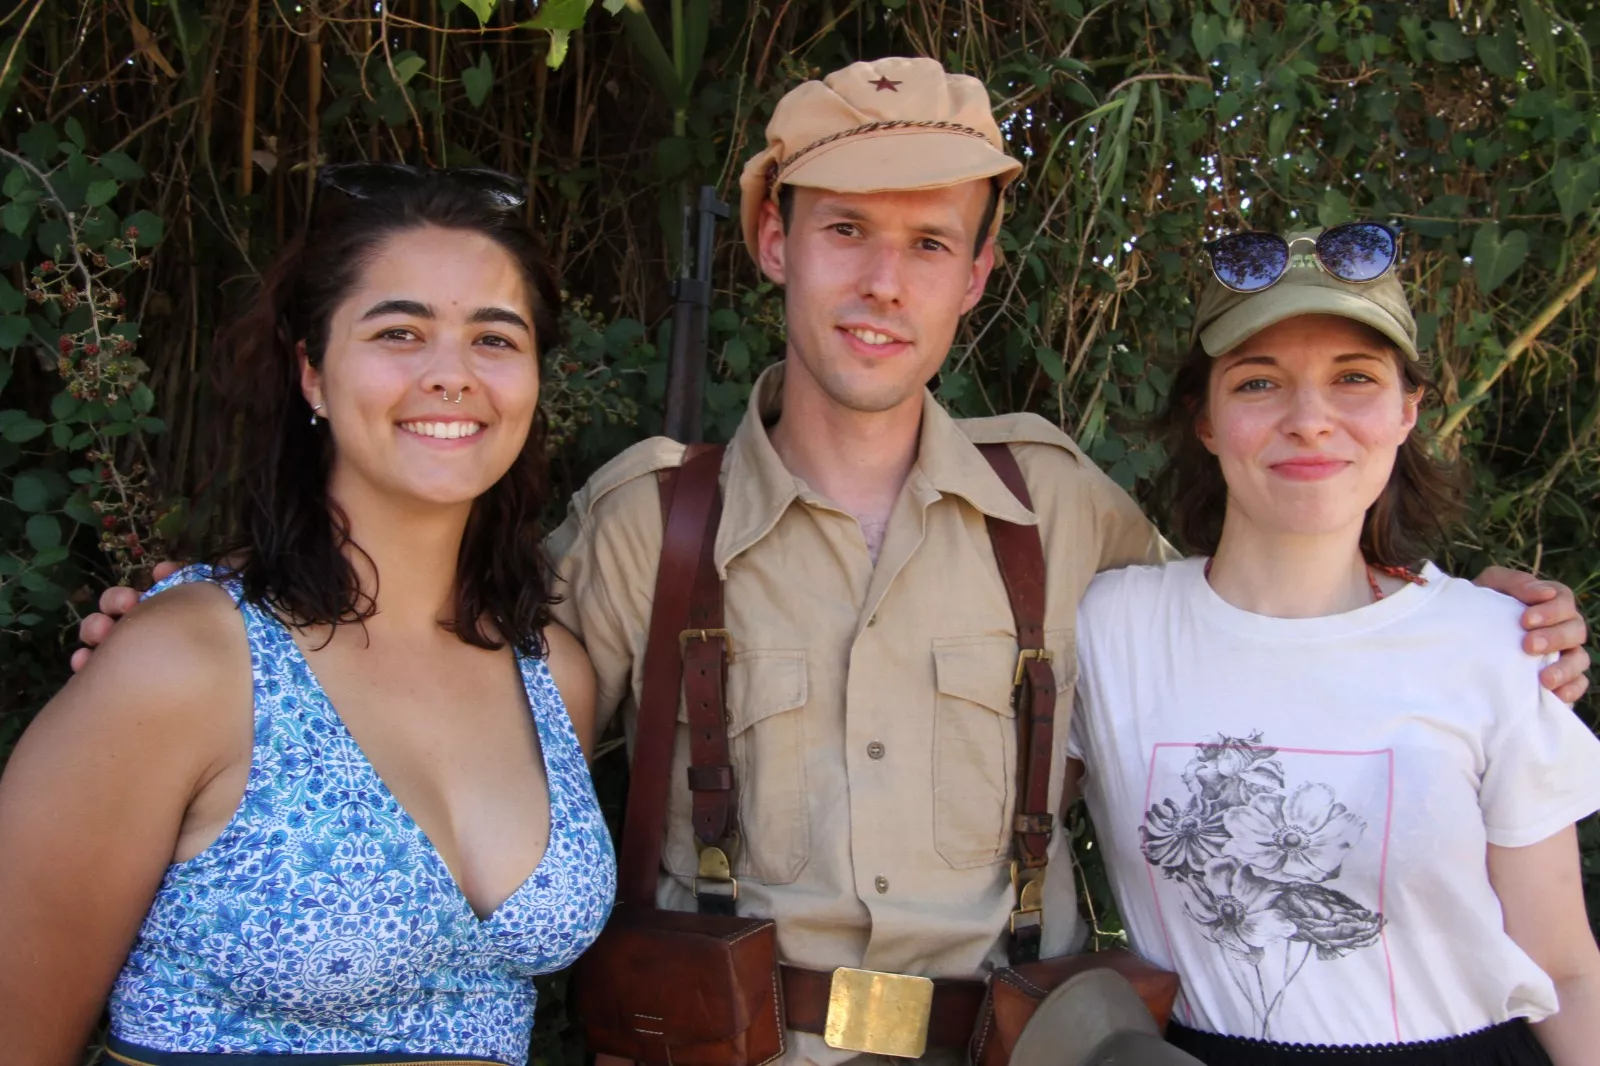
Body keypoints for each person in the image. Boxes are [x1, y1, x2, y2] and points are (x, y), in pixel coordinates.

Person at [71, 61, 1591, 1064]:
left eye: (932, 242)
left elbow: (1272, 610)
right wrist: (205, 649)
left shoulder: (1059, 514)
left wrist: (1478, 626)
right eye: (847, 228)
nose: (885, 281)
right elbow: (452, 701)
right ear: (771, 239)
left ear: (981, 272)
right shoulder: (647, 520)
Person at [0, 166, 616, 1065]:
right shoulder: (188, 663)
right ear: (313, 373)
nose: (451, 374)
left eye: (495, 337)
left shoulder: (552, 671)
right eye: (399, 332)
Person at [1066, 224, 1600, 1065]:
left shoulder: (1496, 641)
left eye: (1354, 379)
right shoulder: (1108, 628)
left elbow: (1564, 966)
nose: (1310, 420)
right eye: (1258, 383)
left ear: (1407, 411)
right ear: (1205, 421)